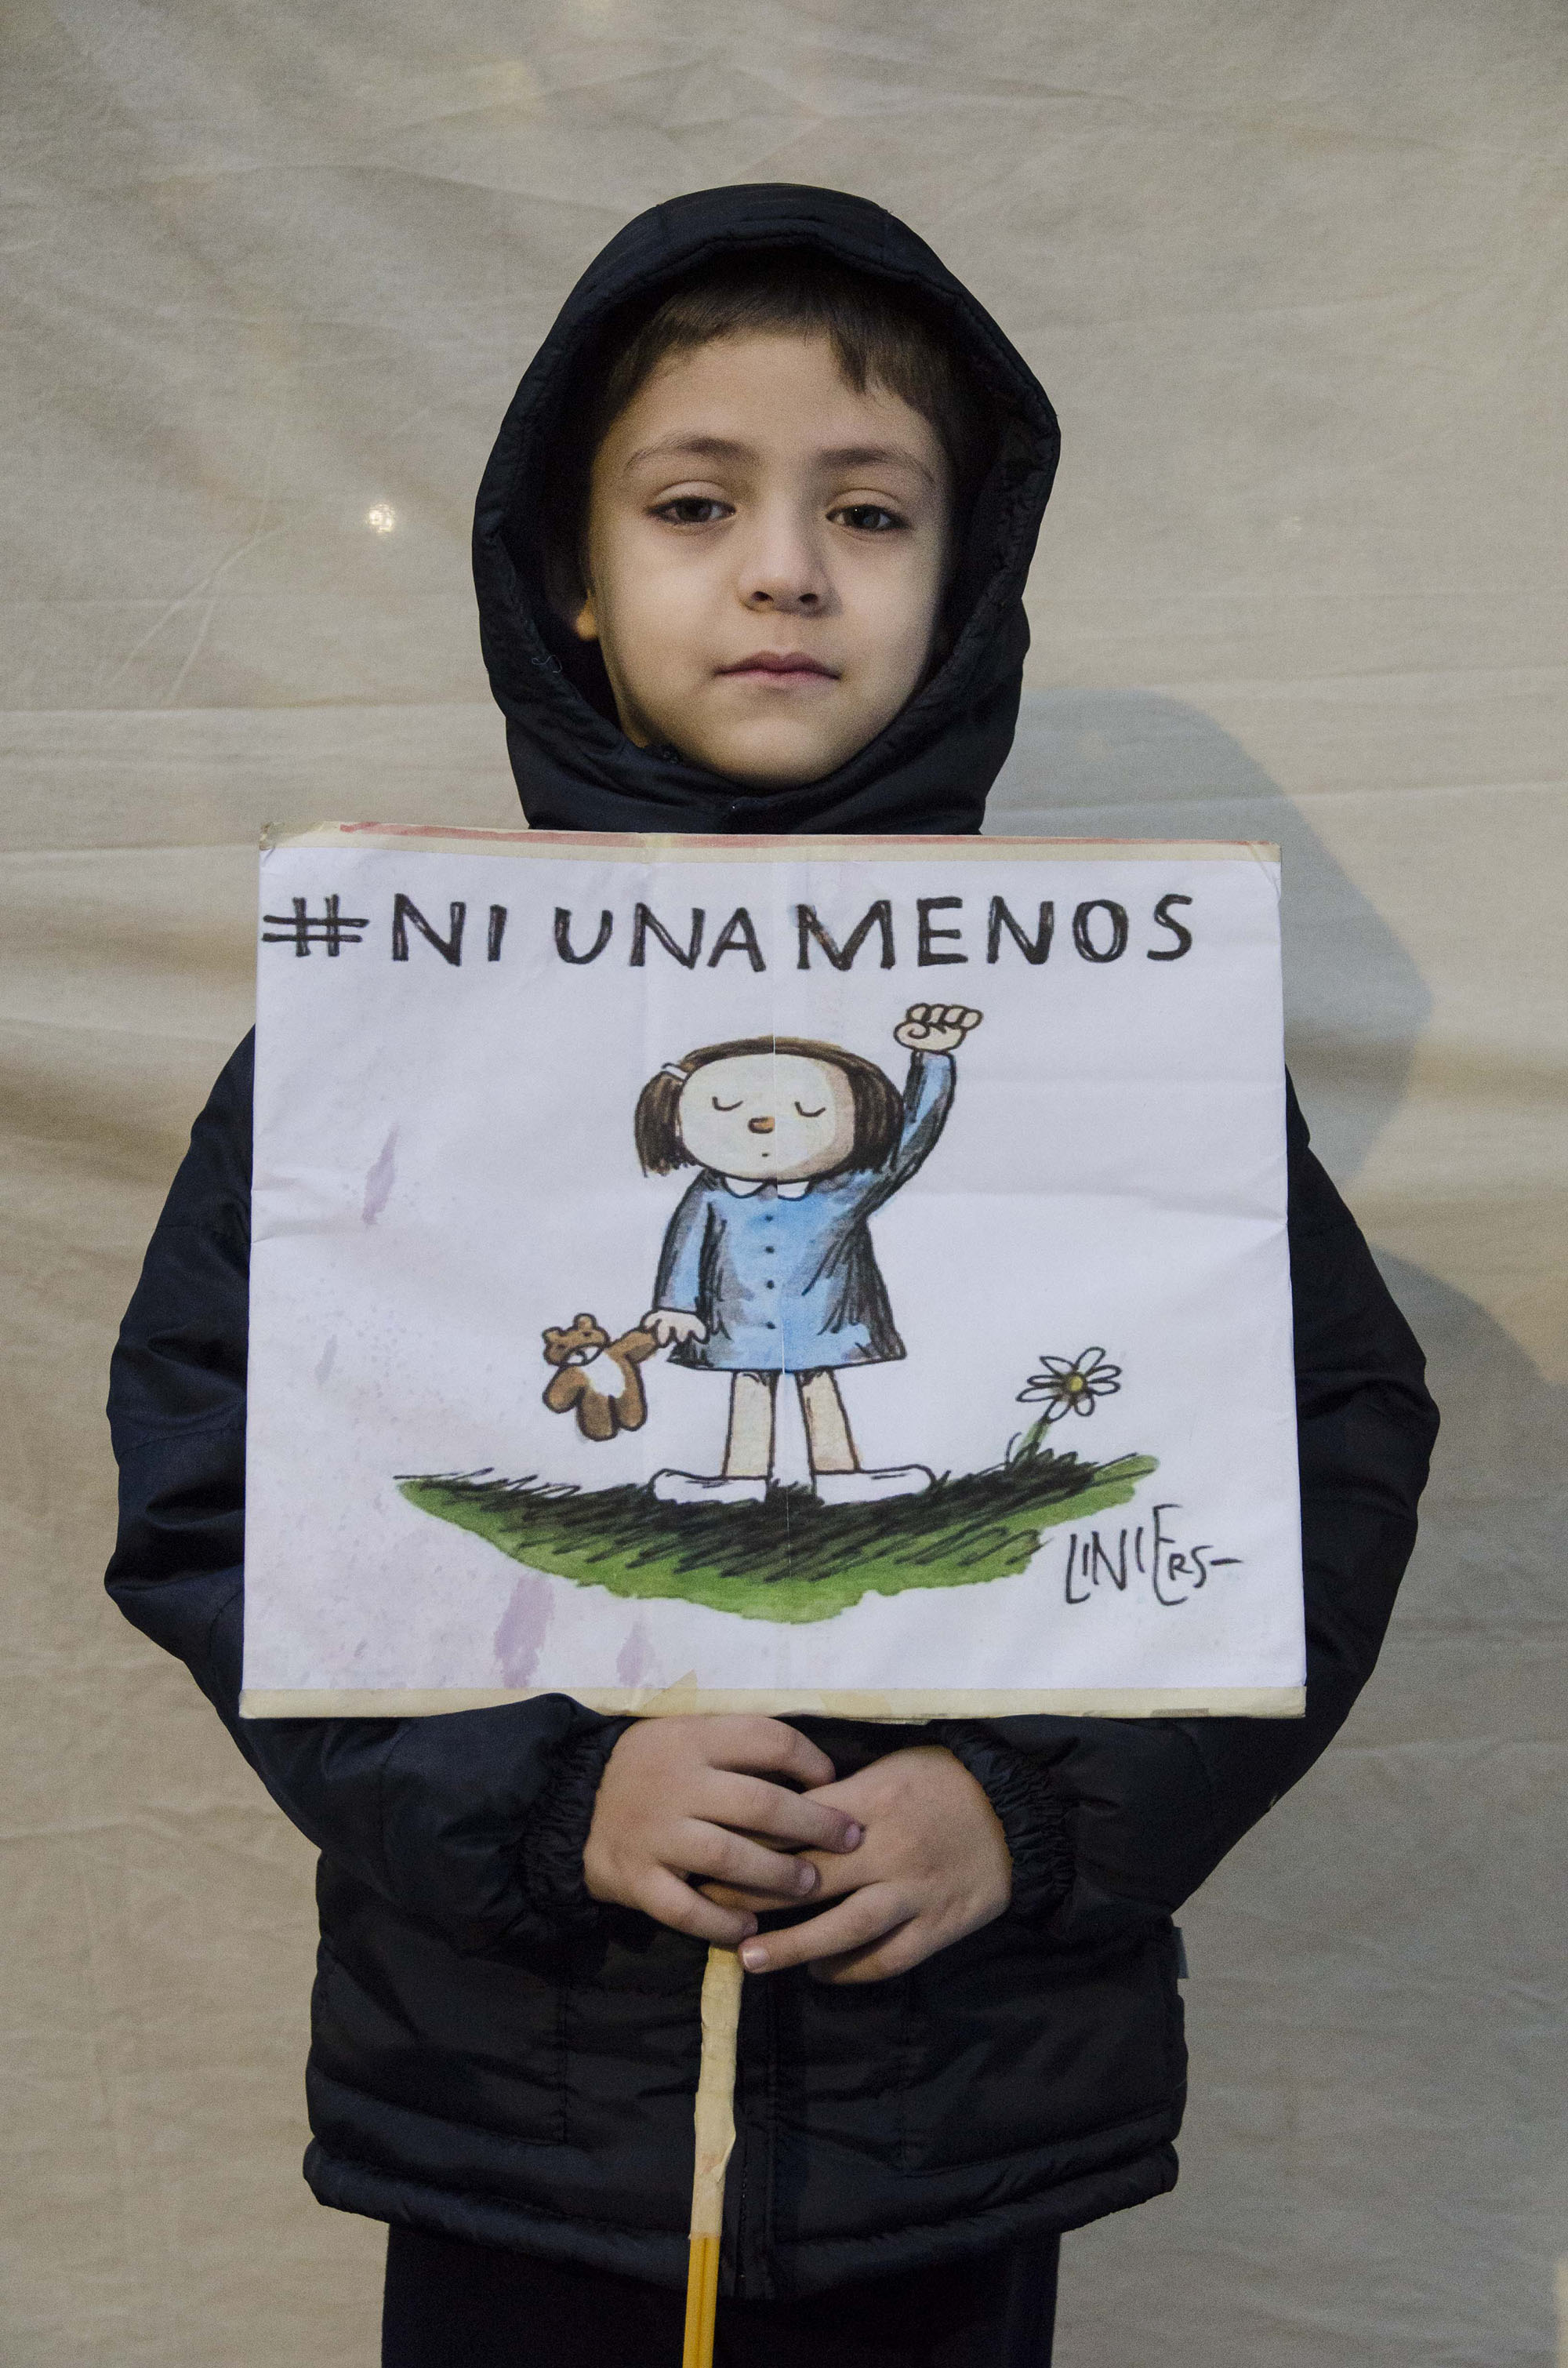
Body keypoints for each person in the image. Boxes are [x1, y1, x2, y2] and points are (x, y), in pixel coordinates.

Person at [106, 185, 1439, 2367]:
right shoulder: (383, 1039)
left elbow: (1324, 1450)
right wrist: (548, 1800)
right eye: (697, 501)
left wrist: (1028, 1816)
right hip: (509, 2101)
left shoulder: (1126, 1049)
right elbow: (218, 1487)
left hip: (965, 2103)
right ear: (575, 567)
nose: (787, 568)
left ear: (969, 568)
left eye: (873, 510)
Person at [634, 1006, 982, 1505]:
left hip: (823, 1318)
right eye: (724, 1106)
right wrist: (676, 1305)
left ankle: (840, 1476)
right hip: (741, 1319)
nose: (764, 1123)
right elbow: (685, 1245)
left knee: (819, 1385)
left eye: (810, 1110)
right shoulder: (710, 1193)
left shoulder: (845, 1191)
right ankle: (742, 1481)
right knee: (750, 1386)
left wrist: (932, 1059)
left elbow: (910, 1143)